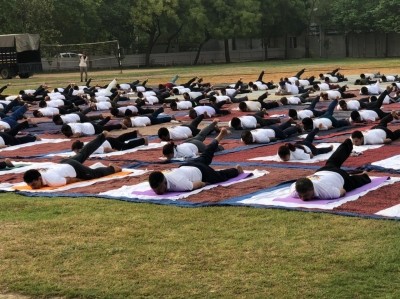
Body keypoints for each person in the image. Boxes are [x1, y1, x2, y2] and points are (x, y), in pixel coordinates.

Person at [148, 128, 243, 194]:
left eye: (159, 189)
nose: (158, 193)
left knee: (219, 176)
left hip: (200, 171)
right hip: (187, 165)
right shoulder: (159, 178)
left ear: (164, 182)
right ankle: (219, 137)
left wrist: (206, 183)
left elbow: (198, 184)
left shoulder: (179, 184)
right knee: (207, 153)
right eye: (156, 191)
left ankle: (236, 170)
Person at [23, 132, 122, 189]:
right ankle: (102, 136)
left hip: (73, 167)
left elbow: (71, 179)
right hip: (63, 163)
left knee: (93, 174)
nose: (33, 188)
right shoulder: (37, 174)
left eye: (34, 184)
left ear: (39, 179)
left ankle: (112, 168)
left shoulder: (53, 181)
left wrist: (83, 179)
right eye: (31, 185)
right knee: (83, 153)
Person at [290, 138, 371, 200]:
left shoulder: (326, 192)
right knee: (333, 161)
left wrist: (337, 187)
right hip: (322, 171)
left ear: (313, 189)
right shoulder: (294, 190)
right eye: (300, 196)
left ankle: (364, 176)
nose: (303, 199)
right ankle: (346, 145)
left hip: (339, 175)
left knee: (351, 183)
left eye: (306, 195)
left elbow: (342, 191)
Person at [71, 130, 148, 154]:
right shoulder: (85, 144)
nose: (76, 153)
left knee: (125, 146)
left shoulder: (88, 148)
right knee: (120, 139)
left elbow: (105, 149)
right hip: (108, 140)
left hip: (110, 143)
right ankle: (134, 133)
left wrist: (114, 151)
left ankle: (143, 141)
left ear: (79, 149)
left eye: (77, 151)